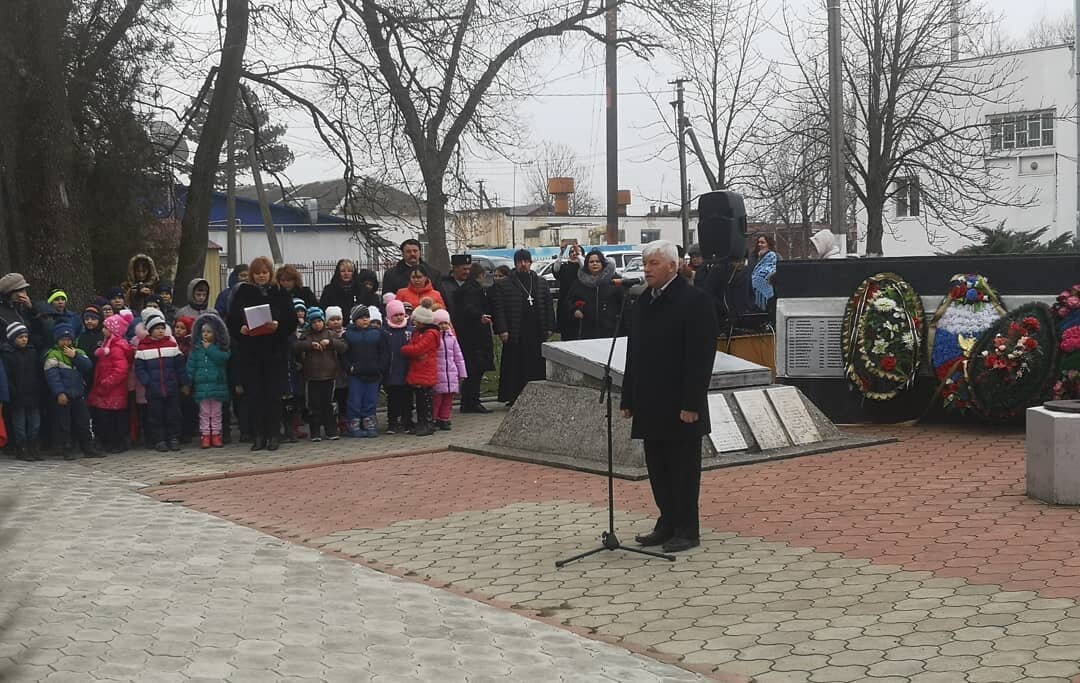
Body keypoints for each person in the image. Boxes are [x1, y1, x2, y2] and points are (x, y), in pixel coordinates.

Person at [620, 240, 718, 554]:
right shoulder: (643, 301)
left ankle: (687, 529)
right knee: (658, 467)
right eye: (645, 263)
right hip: (650, 401)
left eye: (653, 263)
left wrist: (692, 403)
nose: (646, 269)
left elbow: (701, 357)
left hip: (680, 404)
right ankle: (667, 522)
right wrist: (628, 396)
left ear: (673, 266)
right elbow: (634, 353)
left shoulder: (694, 301)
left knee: (682, 470)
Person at [226, 256, 298, 452]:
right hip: (251, 351)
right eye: (257, 273)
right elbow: (232, 319)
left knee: (273, 395)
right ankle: (258, 435)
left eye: (264, 273)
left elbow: (291, 320)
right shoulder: (243, 292)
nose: (261, 276)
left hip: (275, 351)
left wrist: (278, 326)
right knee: (255, 395)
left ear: (270, 273)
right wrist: (240, 329)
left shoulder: (279, 292)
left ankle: (274, 434)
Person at [491, 249, 553, 406]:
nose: (523, 264)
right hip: (516, 330)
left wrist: (550, 326)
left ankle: (537, 396)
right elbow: (499, 309)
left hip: (536, 330)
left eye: (526, 261)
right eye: (520, 262)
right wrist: (502, 329)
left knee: (536, 364)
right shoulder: (505, 284)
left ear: (531, 263)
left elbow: (548, 305)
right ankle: (514, 396)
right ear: (515, 263)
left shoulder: (540, 282)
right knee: (516, 365)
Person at [134, 308, 190, 453]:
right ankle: (159, 440)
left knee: (173, 414)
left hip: (171, 387)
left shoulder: (171, 345)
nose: (160, 331)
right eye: (157, 328)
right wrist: (147, 382)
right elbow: (139, 369)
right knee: (155, 416)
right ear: (150, 330)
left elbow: (180, 367)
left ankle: (174, 438)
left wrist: (184, 383)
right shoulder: (143, 347)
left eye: (162, 328)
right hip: (153, 390)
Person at [44, 322, 100, 459]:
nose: (66, 342)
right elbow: (52, 377)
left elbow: (88, 366)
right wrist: (59, 393)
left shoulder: (79, 352)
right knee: (64, 424)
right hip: (64, 396)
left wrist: (75, 356)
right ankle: (67, 448)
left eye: (68, 339)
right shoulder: (53, 355)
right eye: (63, 339)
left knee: (84, 422)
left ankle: (88, 447)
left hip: (79, 394)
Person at [295, 307, 345, 442]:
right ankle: (315, 431)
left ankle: (331, 430)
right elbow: (296, 347)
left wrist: (330, 343)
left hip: (329, 375)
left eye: (319, 321)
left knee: (329, 405)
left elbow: (343, 346)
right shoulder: (306, 335)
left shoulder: (330, 334)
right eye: (314, 322)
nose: (317, 324)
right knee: (314, 406)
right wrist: (310, 345)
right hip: (312, 376)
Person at [87, 312, 135, 454]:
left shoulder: (116, 348)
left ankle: (117, 442)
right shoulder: (108, 345)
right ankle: (109, 442)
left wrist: (107, 382)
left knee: (113, 419)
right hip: (106, 390)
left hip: (112, 390)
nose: (103, 330)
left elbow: (121, 370)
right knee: (106, 418)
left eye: (106, 328)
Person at [452, 263, 494, 413]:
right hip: (476, 336)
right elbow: (470, 309)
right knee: (475, 370)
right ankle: (472, 401)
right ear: (481, 275)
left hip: (467, 335)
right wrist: (480, 316)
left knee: (471, 369)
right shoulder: (473, 291)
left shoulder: (465, 289)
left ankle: (467, 401)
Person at [342, 305, 387, 438]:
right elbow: (343, 355)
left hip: (373, 373)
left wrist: (380, 368)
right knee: (355, 400)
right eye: (361, 318)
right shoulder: (348, 335)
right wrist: (349, 368)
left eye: (367, 317)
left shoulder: (377, 334)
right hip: (356, 374)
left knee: (371, 400)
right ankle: (354, 425)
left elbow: (384, 352)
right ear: (354, 319)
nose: (365, 320)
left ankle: (370, 424)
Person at [188, 312, 231, 449]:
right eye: (203, 332)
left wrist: (210, 349)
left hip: (217, 385)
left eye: (209, 332)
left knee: (216, 412)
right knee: (204, 412)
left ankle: (216, 434)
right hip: (202, 386)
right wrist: (188, 382)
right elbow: (191, 366)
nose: (205, 334)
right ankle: (206, 435)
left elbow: (222, 358)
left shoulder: (220, 347)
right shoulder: (196, 349)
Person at [2, 322, 43, 460]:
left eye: (26, 336)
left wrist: (38, 387)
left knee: (35, 423)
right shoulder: (7, 353)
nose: (24, 339)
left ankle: (33, 446)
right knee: (19, 424)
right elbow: (7, 376)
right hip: (17, 394)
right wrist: (12, 391)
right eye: (20, 337)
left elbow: (38, 372)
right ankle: (22, 447)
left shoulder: (32, 351)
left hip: (33, 393)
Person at [562, 249, 625, 340]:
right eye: (591, 262)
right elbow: (568, 302)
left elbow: (624, 306)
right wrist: (574, 310)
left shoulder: (614, 281)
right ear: (586, 264)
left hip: (611, 331)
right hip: (586, 331)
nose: (594, 264)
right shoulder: (579, 283)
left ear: (603, 263)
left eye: (597, 261)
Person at [401, 306, 440, 437]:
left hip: (425, 371)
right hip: (418, 370)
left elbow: (417, 349)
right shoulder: (418, 333)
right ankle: (421, 423)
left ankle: (428, 424)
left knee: (426, 400)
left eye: (416, 321)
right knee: (420, 400)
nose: (414, 323)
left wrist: (405, 349)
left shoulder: (430, 334)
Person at [432, 309, 467, 431]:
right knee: (437, 400)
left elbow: (458, 356)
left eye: (445, 323)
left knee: (448, 400)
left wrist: (462, 372)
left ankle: (445, 418)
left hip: (451, 374)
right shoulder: (434, 338)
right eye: (440, 323)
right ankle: (434, 418)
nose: (443, 326)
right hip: (438, 373)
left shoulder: (452, 338)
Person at [382, 300, 414, 434]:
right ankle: (392, 422)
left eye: (401, 314)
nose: (399, 317)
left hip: (407, 370)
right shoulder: (385, 332)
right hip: (392, 371)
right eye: (395, 315)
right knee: (393, 399)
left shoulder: (410, 330)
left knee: (408, 399)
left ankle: (407, 421)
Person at [324, 306, 349, 434]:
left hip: (343, 372)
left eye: (338, 319)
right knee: (332, 400)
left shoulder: (346, 334)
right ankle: (332, 424)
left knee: (344, 398)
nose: (335, 322)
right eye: (332, 319)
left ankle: (344, 422)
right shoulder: (324, 335)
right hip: (330, 372)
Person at [553, 244, 585, 340]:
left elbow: (585, 269)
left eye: (577, 251)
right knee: (566, 333)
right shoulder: (565, 266)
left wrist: (579, 255)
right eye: (572, 251)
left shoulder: (583, 267)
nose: (574, 253)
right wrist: (561, 253)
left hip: (581, 301)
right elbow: (556, 269)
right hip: (565, 302)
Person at [750, 234, 778, 317]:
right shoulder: (753, 257)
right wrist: (759, 258)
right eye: (758, 242)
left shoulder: (775, 256)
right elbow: (751, 271)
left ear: (768, 244)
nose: (759, 244)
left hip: (771, 291)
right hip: (753, 292)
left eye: (762, 242)